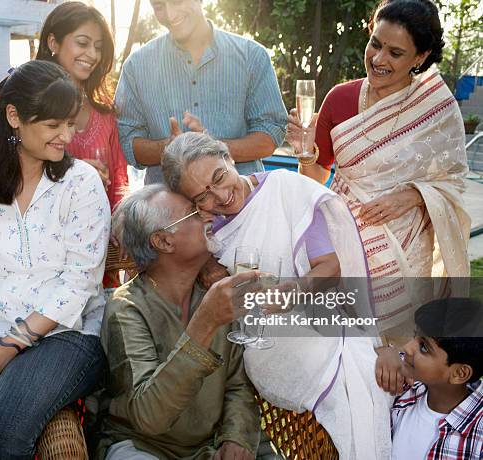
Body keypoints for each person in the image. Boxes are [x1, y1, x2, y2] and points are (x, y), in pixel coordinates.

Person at [162, 131, 393, 459]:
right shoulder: (206, 229)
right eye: (203, 196)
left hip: (320, 328)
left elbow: (329, 267)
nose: (221, 196)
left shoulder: (286, 190)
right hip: (264, 348)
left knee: (362, 390)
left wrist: (294, 291)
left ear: (229, 158)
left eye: (219, 176)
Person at [0, 61, 110, 459]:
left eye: (69, 123)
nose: (66, 136)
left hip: (66, 337)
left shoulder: (80, 183)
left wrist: (9, 347)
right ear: (14, 117)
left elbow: (79, 282)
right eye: (53, 125)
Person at [286, 0, 470, 337]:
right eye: (375, 44)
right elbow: (316, 181)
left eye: (395, 53)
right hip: (343, 237)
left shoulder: (437, 111)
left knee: (401, 348)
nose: (378, 59)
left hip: (407, 250)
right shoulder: (340, 97)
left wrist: (413, 195)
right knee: (346, 342)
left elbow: (453, 181)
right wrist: (305, 154)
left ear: (421, 57)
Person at [98, 185, 263, 460]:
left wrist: (237, 437)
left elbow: (238, 383)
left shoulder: (215, 293)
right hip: (143, 448)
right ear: (163, 241)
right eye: (194, 213)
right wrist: (205, 323)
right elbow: (149, 417)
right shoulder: (126, 308)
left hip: (210, 447)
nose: (209, 215)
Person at [115, 0, 287, 185]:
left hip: (242, 206)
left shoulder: (252, 56)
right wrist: (170, 148)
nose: (170, 15)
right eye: (159, 6)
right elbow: (129, 144)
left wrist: (210, 148)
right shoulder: (136, 66)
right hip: (168, 210)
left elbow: (269, 136)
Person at [37, 1, 128, 210]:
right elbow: (14, 169)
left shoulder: (105, 114)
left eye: (98, 47)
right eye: (82, 42)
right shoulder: (30, 105)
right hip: (42, 232)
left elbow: (119, 186)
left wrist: (120, 226)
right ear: (53, 43)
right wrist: (75, 173)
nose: (93, 55)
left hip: (100, 234)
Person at [382, 298, 483, 459]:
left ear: (459, 374)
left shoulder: (478, 437)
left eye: (423, 347)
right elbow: (385, 353)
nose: (408, 347)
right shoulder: (409, 383)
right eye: (415, 335)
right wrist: (387, 353)